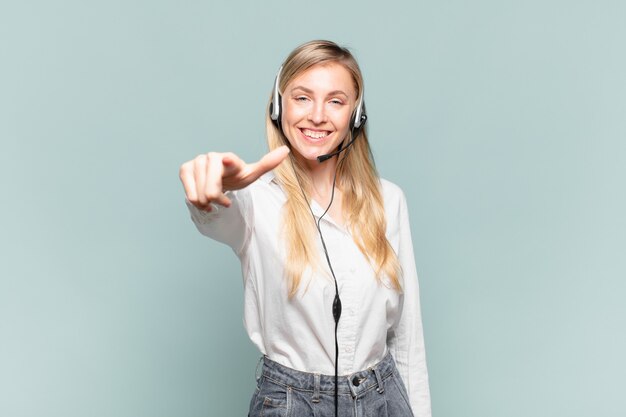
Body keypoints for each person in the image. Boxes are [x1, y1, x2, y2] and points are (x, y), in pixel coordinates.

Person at [179, 40, 431, 417]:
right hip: (291, 403)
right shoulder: (254, 201)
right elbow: (215, 215)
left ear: (355, 116)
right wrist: (209, 191)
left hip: (383, 398)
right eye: (302, 97)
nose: (317, 115)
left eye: (335, 101)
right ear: (279, 107)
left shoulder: (389, 200)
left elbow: (407, 337)